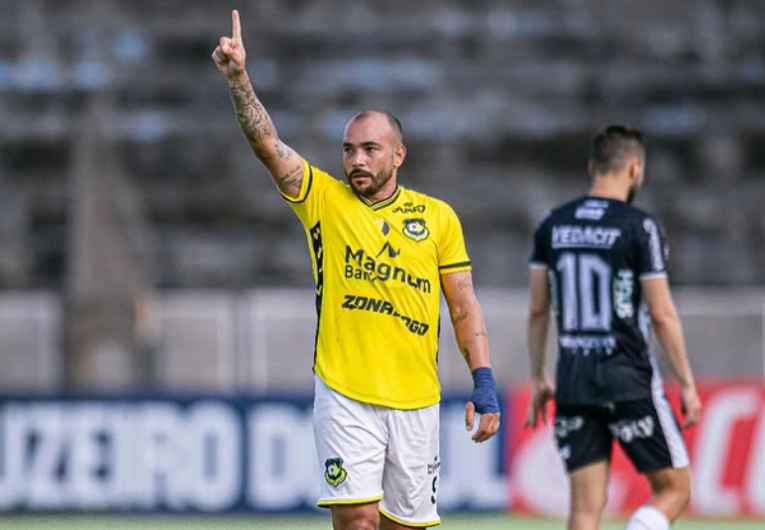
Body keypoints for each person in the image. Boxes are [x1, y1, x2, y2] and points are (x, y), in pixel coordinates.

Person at [212, 10, 500, 530]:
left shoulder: (438, 218)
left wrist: (484, 383)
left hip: (416, 400)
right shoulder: (322, 198)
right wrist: (240, 82)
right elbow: (267, 146)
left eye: (370, 149)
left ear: (399, 154)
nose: (357, 160)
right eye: (349, 149)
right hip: (344, 392)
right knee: (359, 522)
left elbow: (463, 304)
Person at [524, 125, 702, 530]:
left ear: (592, 167)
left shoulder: (551, 224)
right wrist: (687, 384)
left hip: (573, 379)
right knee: (675, 490)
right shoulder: (640, 226)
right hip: (627, 377)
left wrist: (539, 377)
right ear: (635, 167)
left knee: (585, 510)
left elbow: (537, 310)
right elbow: (661, 313)